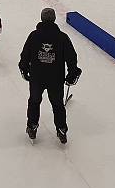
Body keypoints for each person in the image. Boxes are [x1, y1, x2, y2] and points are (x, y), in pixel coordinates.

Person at [19, 8, 80, 144]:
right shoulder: (62, 37)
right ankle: (61, 129)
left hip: (37, 78)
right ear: (53, 19)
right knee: (58, 105)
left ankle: (32, 127)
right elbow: (71, 57)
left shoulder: (34, 36)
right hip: (55, 79)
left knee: (34, 101)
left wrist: (24, 68)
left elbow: (25, 54)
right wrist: (72, 73)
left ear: (41, 19)